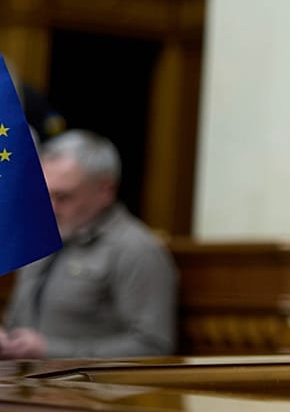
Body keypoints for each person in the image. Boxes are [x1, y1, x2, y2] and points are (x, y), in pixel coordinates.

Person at [1, 130, 177, 359]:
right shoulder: (41, 237)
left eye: (64, 197)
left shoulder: (135, 249)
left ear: (105, 190)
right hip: (23, 388)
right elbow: (19, 322)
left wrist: (49, 350)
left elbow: (153, 347)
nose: (50, 208)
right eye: (45, 194)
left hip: (92, 392)